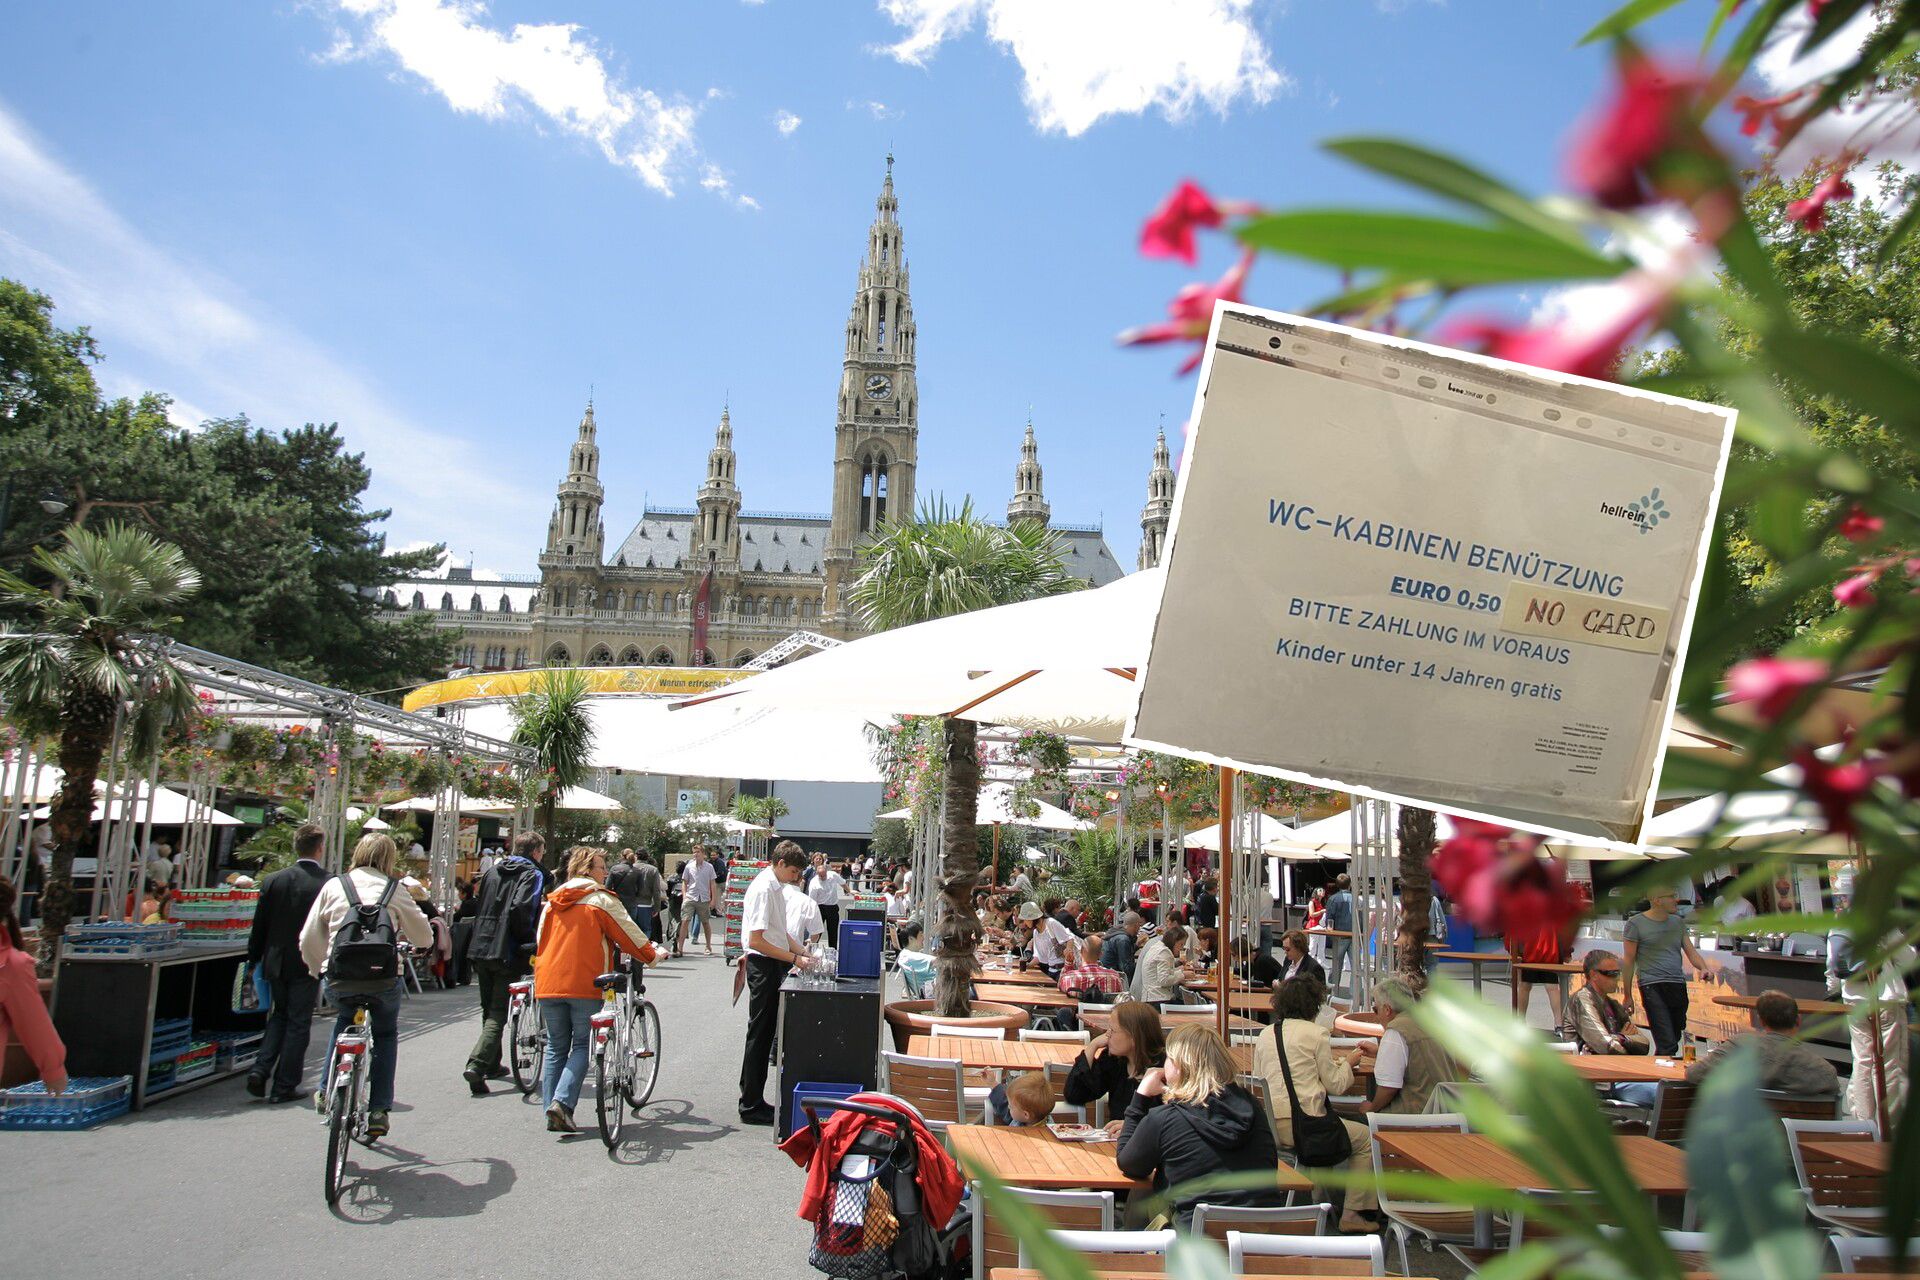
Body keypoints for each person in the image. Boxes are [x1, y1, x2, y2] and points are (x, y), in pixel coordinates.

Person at [299, 833, 434, 1139]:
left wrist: (315, 967)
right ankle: (378, 1110)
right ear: (389, 859)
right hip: (383, 979)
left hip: (339, 978)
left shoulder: (335, 885)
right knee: (385, 1035)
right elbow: (424, 936)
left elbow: (309, 937)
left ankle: (324, 1090)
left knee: (344, 1020)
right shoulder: (394, 889)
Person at [531, 845, 662, 1132]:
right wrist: (652, 955)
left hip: (548, 981)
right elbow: (628, 933)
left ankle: (552, 1111)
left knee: (555, 1047)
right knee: (581, 1045)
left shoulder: (552, 902)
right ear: (587, 870)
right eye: (602, 867)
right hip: (583, 981)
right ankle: (561, 1104)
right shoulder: (600, 900)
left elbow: (541, 939)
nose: (606, 873)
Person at [1116, 1022, 1287, 1231]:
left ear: (1179, 1066)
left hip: (1197, 1248)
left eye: (1168, 1058)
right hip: (1262, 1243)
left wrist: (1140, 1098)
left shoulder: (1165, 1118)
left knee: (1141, 1197)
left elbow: (1129, 1162)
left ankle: (1128, 1257)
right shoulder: (1253, 1108)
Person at [1255, 974, 1376, 1234]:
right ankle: (1352, 1212)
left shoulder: (1266, 1034)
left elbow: (1259, 1078)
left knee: (1329, 1125)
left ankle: (1320, 1200)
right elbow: (1336, 1085)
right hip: (1306, 1128)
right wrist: (1349, 1063)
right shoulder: (1316, 1033)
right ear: (1314, 1005)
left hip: (1271, 1126)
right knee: (1365, 1137)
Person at [244, 823, 329, 1103]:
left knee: (280, 1016)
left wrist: (253, 958)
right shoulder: (328, 883)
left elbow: (260, 926)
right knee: (298, 1021)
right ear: (319, 848)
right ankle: (285, 1085)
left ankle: (260, 1068)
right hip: (308, 959)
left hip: (276, 960)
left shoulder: (273, 880)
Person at [462, 830, 545, 1095]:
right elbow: (523, 909)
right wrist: (528, 939)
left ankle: (493, 1062)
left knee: (488, 1007)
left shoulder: (491, 872)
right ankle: (477, 1064)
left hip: (481, 942)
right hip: (507, 947)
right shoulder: (532, 874)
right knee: (498, 1011)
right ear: (535, 852)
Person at [739, 841, 814, 1124]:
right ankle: (751, 1103)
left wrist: (801, 951)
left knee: (764, 1031)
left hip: (771, 960)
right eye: (793, 871)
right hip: (763, 964)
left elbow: (779, 933)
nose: (796, 877)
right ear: (780, 863)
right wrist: (795, 959)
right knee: (760, 1033)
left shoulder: (775, 887)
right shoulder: (763, 889)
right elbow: (758, 940)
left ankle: (752, 1097)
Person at [1827, 895, 1912, 1127]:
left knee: (1863, 1061)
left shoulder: (1839, 925)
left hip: (1853, 1001)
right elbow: (1908, 959)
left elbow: (1832, 973)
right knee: (1889, 1065)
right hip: (1884, 999)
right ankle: (1891, 1126)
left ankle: (1864, 1123)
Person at [1686, 989, 1840, 1097]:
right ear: (1798, 1021)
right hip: (1796, 1141)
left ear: (1761, 1020)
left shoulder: (1738, 1047)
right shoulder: (1824, 1071)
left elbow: (1694, 1075)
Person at [1561, 949, 1656, 1107]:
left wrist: (1620, 1038)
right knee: (1667, 1093)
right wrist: (1622, 1041)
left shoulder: (1613, 1005)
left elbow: (1644, 1044)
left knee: (1679, 1090)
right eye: (1611, 973)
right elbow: (1606, 1046)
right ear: (1593, 975)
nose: (1617, 978)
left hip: (1624, 1075)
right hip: (1600, 1082)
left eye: (1618, 973)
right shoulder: (1582, 1000)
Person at [1620, 886, 1708, 1056]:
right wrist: (1627, 995)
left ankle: (1661, 1071)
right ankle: (1662, 1077)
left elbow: (1691, 951)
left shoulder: (1677, 922)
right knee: (1667, 1042)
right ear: (1656, 900)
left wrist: (1704, 968)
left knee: (1675, 1034)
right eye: (1671, 896)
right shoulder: (1635, 924)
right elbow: (1629, 961)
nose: (1676, 900)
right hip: (1651, 984)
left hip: (1677, 983)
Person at [0, 873, 65, 1094]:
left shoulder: (11, 965)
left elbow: (34, 1024)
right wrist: (53, 1070)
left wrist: (53, 1069)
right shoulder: (12, 965)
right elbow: (34, 1023)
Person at [1063, 999, 1167, 1136]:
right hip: (1116, 1145)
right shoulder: (1115, 1061)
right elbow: (1074, 1095)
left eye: (1112, 1030)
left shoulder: (1166, 1068)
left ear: (1134, 1037)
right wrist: (1092, 1047)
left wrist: (1134, 1126)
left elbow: (1172, 1123)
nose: (1107, 1035)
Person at [1358, 979, 1458, 1116]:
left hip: (1415, 1117)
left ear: (1387, 1010)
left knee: (1343, 1124)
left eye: (1376, 1010)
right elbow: (1421, 1056)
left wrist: (1370, 1110)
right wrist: (1380, 1051)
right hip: (1447, 1113)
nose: (1376, 1017)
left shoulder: (1396, 1030)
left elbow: (1388, 1088)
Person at [677, 846, 718, 957]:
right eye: (694, 852)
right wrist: (685, 896)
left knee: (705, 922)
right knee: (685, 921)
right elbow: (684, 882)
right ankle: (680, 948)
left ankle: (708, 946)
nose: (696, 854)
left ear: (703, 853)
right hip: (691, 897)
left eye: (698, 852)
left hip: (703, 898)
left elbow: (713, 884)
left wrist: (713, 899)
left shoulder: (709, 867)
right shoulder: (689, 867)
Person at [1136, 922, 1190, 1004]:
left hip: (1150, 998)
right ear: (1173, 941)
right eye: (1181, 944)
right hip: (1158, 1000)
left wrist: (1180, 971)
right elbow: (1164, 980)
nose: (1182, 948)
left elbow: (1163, 974)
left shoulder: (1157, 947)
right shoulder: (1164, 952)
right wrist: (1183, 975)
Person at [1059, 934, 1126, 1001]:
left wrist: (1069, 964)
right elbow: (1120, 998)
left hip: (1079, 1011)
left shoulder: (1068, 977)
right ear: (1101, 954)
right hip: (1105, 1011)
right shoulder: (1114, 977)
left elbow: (1060, 986)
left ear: (1081, 952)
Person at [1023, 900, 1077, 978]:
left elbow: (1070, 938)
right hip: (1051, 971)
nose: (1024, 923)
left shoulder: (1051, 923)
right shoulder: (1036, 932)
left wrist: (1068, 951)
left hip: (1063, 971)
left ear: (1032, 918)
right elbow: (1038, 957)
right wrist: (1027, 966)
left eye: (1025, 919)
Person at [806, 852, 846, 946]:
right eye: (821, 875)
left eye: (824, 875)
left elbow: (843, 882)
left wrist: (850, 890)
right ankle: (812, 949)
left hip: (832, 907)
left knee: (833, 931)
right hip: (820, 907)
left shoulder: (832, 875)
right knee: (817, 931)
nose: (822, 877)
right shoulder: (814, 882)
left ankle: (833, 950)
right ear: (817, 874)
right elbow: (812, 900)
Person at [1323, 875, 1354, 993]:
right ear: (1349, 884)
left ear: (1337, 885)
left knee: (1336, 964)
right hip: (1354, 935)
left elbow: (1329, 918)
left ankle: (1333, 990)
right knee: (1356, 966)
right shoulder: (1357, 898)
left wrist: (1330, 934)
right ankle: (1354, 993)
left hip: (1339, 935)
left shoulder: (1333, 899)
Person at [893, 920, 937, 997]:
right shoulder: (911, 957)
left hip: (929, 990)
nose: (923, 938)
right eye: (921, 935)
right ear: (911, 939)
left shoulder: (905, 955)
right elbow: (937, 961)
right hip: (933, 992)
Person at [1101, 912, 1143, 982]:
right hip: (1113, 977)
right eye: (1139, 925)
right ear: (1136, 925)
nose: (1139, 928)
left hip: (1107, 972)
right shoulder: (1123, 939)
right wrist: (1142, 964)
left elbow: (1123, 955)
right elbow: (1126, 968)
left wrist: (1136, 946)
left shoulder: (1117, 931)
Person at [1303, 887, 1327, 965]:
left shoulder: (1322, 902)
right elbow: (1312, 914)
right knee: (1313, 945)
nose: (1322, 892)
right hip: (1314, 925)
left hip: (1321, 925)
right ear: (1316, 892)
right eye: (1320, 890)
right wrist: (1321, 911)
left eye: (1323, 890)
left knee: (1322, 945)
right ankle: (1310, 962)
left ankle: (1321, 962)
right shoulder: (1312, 902)